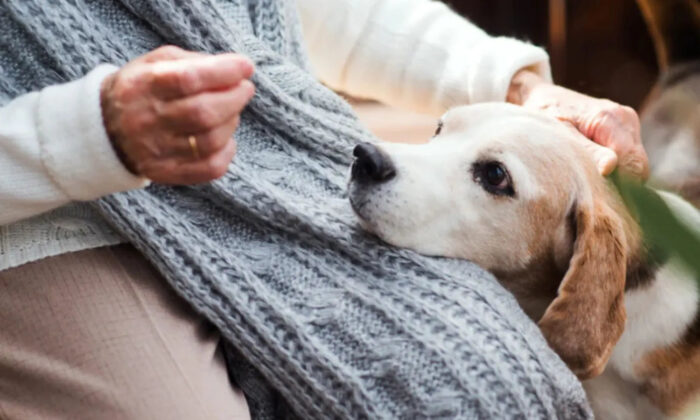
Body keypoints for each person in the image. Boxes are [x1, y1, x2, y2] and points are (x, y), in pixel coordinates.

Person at [0, 0, 648, 418]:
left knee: (494, 392)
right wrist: (85, 133)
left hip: (287, 171)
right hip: (49, 219)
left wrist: (517, 85)